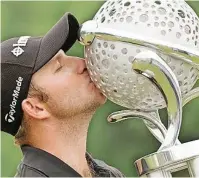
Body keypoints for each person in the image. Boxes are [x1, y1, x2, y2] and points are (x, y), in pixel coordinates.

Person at [1, 12, 124, 177]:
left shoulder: (106, 173)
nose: (83, 63)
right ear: (35, 107)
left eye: (66, 57)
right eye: (59, 67)